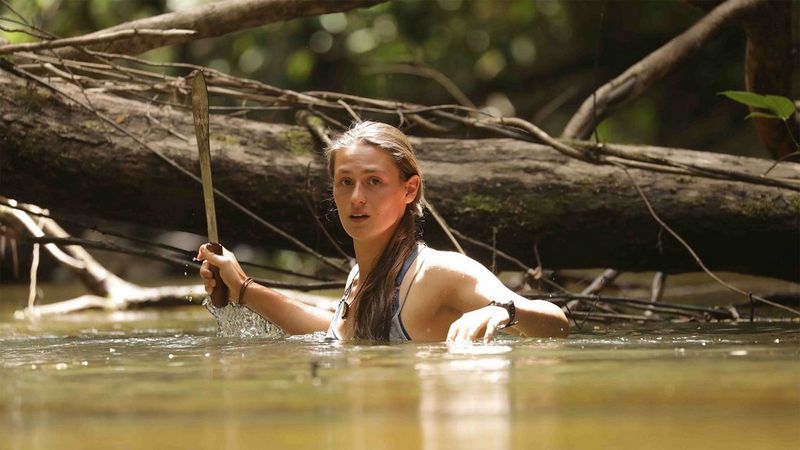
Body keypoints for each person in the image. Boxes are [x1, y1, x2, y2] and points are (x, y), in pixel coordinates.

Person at [197, 121, 568, 343]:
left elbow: (557, 323)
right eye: (346, 182)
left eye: (374, 181)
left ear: (409, 189)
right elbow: (334, 335)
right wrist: (243, 288)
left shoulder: (437, 273)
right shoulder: (361, 274)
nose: (357, 198)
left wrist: (505, 310)